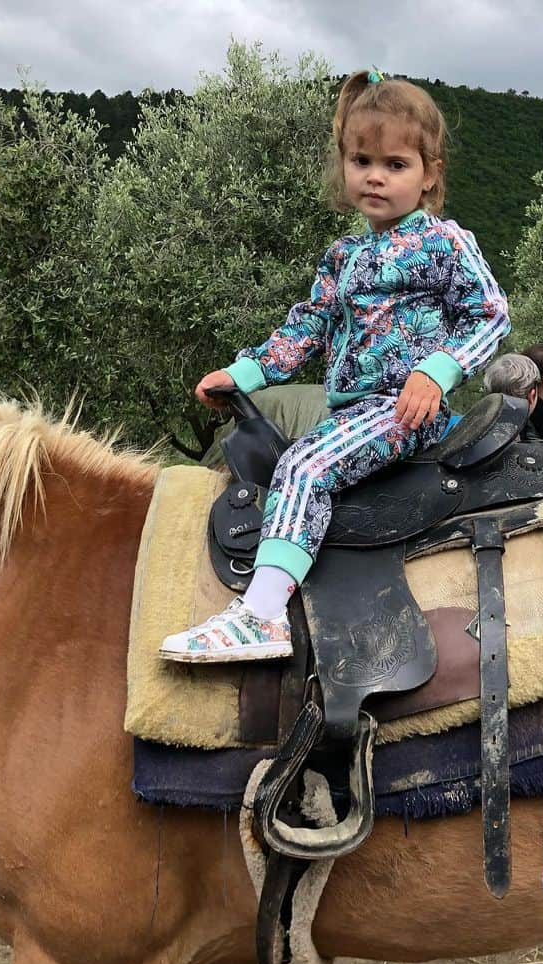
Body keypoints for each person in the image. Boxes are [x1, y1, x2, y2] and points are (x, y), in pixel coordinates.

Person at [160, 69, 510, 663]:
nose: (375, 175)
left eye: (396, 164)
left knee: (304, 465)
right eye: (361, 159)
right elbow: (308, 327)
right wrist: (246, 374)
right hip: (351, 410)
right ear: (344, 166)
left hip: (406, 409)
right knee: (279, 460)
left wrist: (439, 370)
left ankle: (262, 615)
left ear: (429, 175)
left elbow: (492, 315)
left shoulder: (445, 242)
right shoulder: (342, 255)